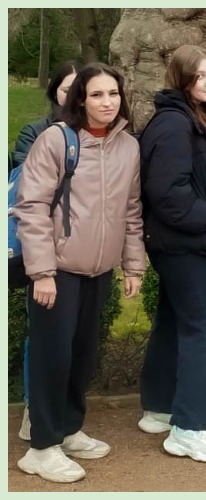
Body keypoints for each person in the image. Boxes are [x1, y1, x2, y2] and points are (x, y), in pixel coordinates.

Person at [13, 63, 143, 483]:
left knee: (82, 354)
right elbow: (31, 207)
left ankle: (68, 430)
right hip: (57, 271)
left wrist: (133, 265)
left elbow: (132, 211)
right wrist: (42, 272)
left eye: (113, 94)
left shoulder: (128, 146)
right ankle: (41, 447)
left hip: (99, 270)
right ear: (80, 100)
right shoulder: (57, 140)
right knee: (52, 357)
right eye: (97, 94)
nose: (107, 102)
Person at [138, 45, 206, 462]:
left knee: (173, 321)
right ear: (181, 79)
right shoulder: (173, 125)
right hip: (179, 244)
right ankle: (189, 428)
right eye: (198, 76)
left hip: (183, 242)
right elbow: (168, 193)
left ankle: (159, 406)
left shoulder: (197, 119)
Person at [11, 59, 83, 443]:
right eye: (66, 88)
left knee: (74, 340)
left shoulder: (96, 134)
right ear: (55, 91)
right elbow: (31, 188)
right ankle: (34, 411)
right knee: (40, 336)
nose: (72, 96)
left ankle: (63, 417)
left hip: (81, 251)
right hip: (41, 247)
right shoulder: (36, 132)